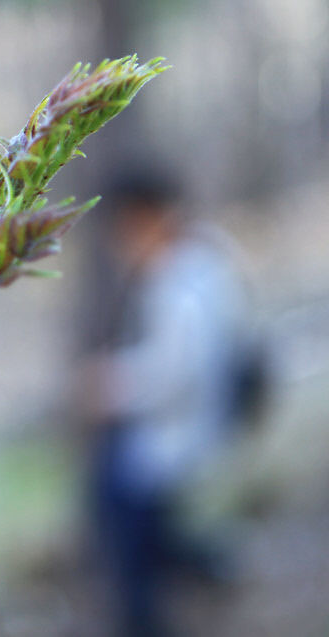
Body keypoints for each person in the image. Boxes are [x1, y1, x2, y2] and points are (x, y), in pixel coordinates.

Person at [83, 171, 247, 636]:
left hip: (174, 445)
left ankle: (161, 606)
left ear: (148, 218)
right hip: (194, 434)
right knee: (152, 533)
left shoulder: (181, 282)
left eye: (125, 229)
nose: (121, 245)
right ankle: (210, 565)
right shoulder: (206, 260)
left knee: (128, 538)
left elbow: (177, 374)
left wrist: (109, 385)